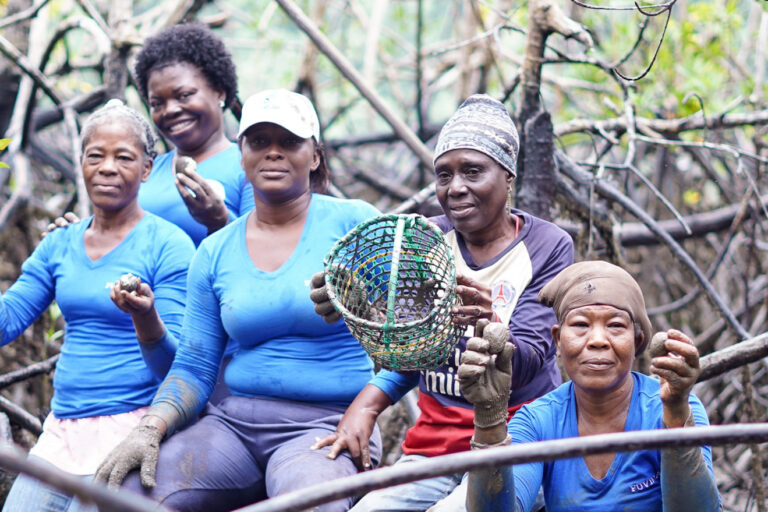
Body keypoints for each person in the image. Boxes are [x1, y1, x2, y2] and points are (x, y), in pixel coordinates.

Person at [93, 89, 383, 512]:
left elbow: (413, 334)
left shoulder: (357, 224)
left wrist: (367, 407)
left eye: (289, 142)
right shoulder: (215, 251)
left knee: (312, 504)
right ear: (241, 157)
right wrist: (150, 429)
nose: (273, 153)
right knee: (128, 494)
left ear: (315, 156)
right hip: (233, 427)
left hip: (327, 424)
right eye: (259, 142)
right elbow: (194, 366)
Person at [310, 94, 574, 511]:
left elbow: (529, 361)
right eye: (444, 174)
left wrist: (490, 329)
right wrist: (355, 311)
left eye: (473, 171)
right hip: (435, 447)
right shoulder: (426, 241)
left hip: (519, 441)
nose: (456, 188)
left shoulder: (547, 246)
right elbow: (411, 348)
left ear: (508, 176)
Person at [0, 100, 195, 512]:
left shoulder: (169, 245)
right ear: (82, 162)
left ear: (146, 169)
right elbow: (10, 318)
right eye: (96, 156)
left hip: (132, 427)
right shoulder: (59, 243)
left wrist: (145, 316)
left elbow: (176, 368)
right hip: (62, 431)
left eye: (124, 157)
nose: (107, 167)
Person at [459, 260, 721, 512]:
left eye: (616, 326)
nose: (598, 340)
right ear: (558, 341)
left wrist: (676, 412)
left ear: (637, 342)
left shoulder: (669, 408)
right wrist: (489, 417)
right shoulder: (538, 421)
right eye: (581, 325)